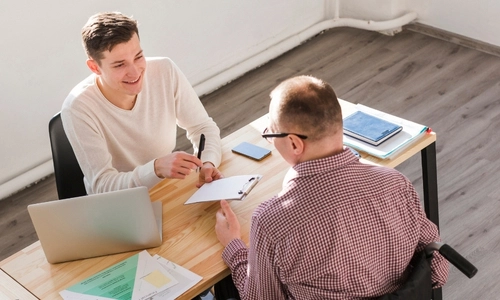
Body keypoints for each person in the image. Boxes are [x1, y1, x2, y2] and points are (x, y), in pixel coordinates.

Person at [214, 75, 449, 299]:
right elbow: (437, 266)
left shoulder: (271, 222)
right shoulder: (395, 184)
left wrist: (234, 247)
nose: (269, 138)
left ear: (294, 143)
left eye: (271, 132)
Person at [61, 12, 223, 194]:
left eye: (138, 57)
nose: (135, 72)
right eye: (119, 65)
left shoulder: (164, 70)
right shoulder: (77, 108)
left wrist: (208, 162)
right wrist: (155, 169)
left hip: (164, 186)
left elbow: (202, 127)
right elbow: (102, 185)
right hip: (121, 202)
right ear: (94, 67)